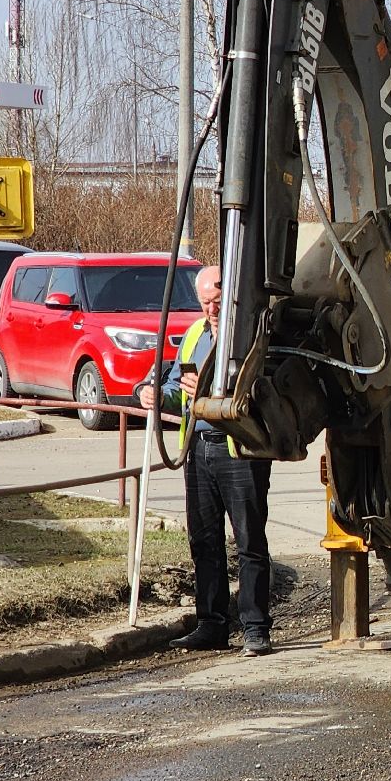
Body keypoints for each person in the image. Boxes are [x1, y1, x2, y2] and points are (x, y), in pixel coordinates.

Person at [143, 266, 276, 657]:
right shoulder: (195, 335)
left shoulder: (249, 336)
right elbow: (171, 384)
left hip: (239, 449)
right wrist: (150, 393)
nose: (211, 310)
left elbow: (264, 390)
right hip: (197, 450)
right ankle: (212, 624)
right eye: (204, 303)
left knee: (249, 539)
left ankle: (255, 627)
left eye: (217, 302)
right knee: (204, 540)